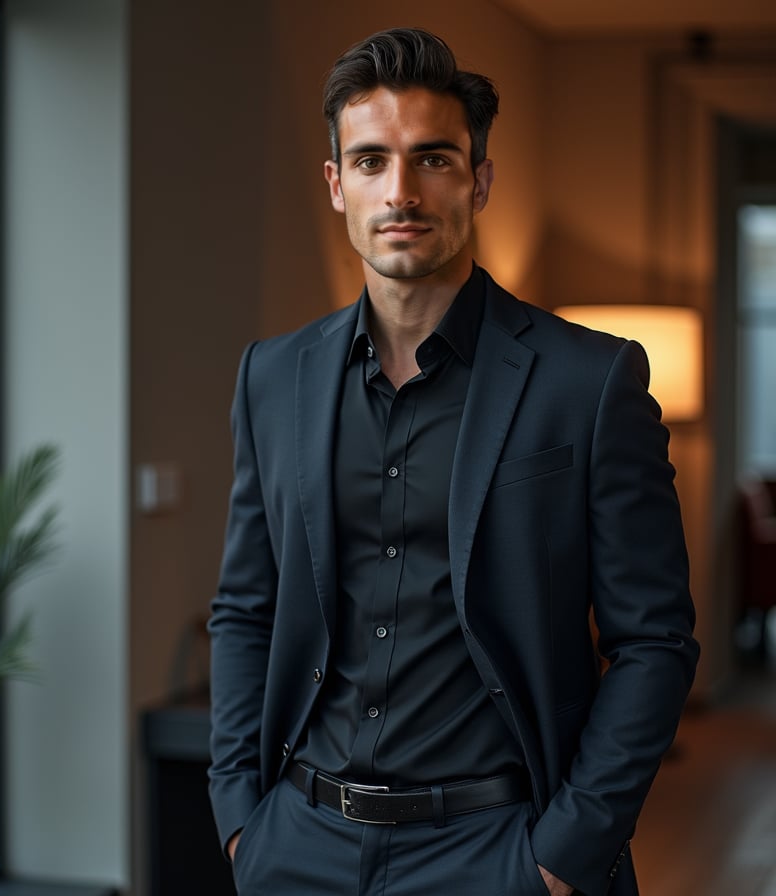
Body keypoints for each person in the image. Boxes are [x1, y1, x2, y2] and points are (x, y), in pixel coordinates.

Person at [207, 27, 699, 896]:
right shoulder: (271, 376)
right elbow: (246, 609)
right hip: (298, 845)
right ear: (336, 185)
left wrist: (560, 857)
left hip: (497, 853)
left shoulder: (589, 382)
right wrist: (244, 819)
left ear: (479, 179)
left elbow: (654, 640)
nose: (401, 192)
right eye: (369, 162)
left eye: (432, 159)